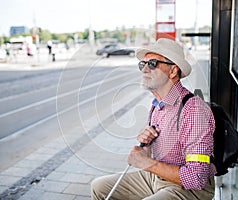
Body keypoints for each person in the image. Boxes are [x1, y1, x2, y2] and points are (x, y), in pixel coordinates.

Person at [91, 38, 216, 200]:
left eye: (152, 64)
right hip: (157, 177)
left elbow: (196, 178)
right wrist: (146, 147)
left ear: (173, 71)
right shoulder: (157, 105)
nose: (144, 70)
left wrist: (146, 163)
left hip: (187, 188)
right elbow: (153, 156)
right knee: (99, 187)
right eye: (142, 64)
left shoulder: (193, 111)